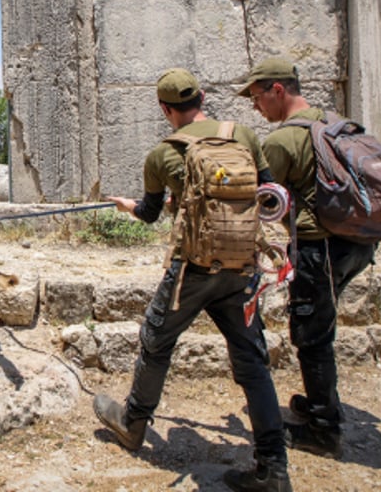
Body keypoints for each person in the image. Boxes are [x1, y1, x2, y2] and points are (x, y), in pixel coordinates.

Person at [94, 68, 291, 492]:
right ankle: (274, 466)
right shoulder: (244, 135)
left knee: (156, 340)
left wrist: (129, 205)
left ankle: (132, 422)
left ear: (165, 109)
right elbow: (270, 192)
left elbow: (148, 214)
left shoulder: (163, 154)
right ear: (202, 96)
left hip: (193, 269)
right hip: (242, 265)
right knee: (252, 360)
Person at [238, 56, 376, 461]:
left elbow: (254, 197)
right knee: (322, 324)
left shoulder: (282, 141)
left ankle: (322, 427)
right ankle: (319, 404)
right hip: (358, 243)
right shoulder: (331, 122)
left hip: (319, 247)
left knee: (312, 334)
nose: (255, 106)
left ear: (277, 90)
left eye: (257, 96)